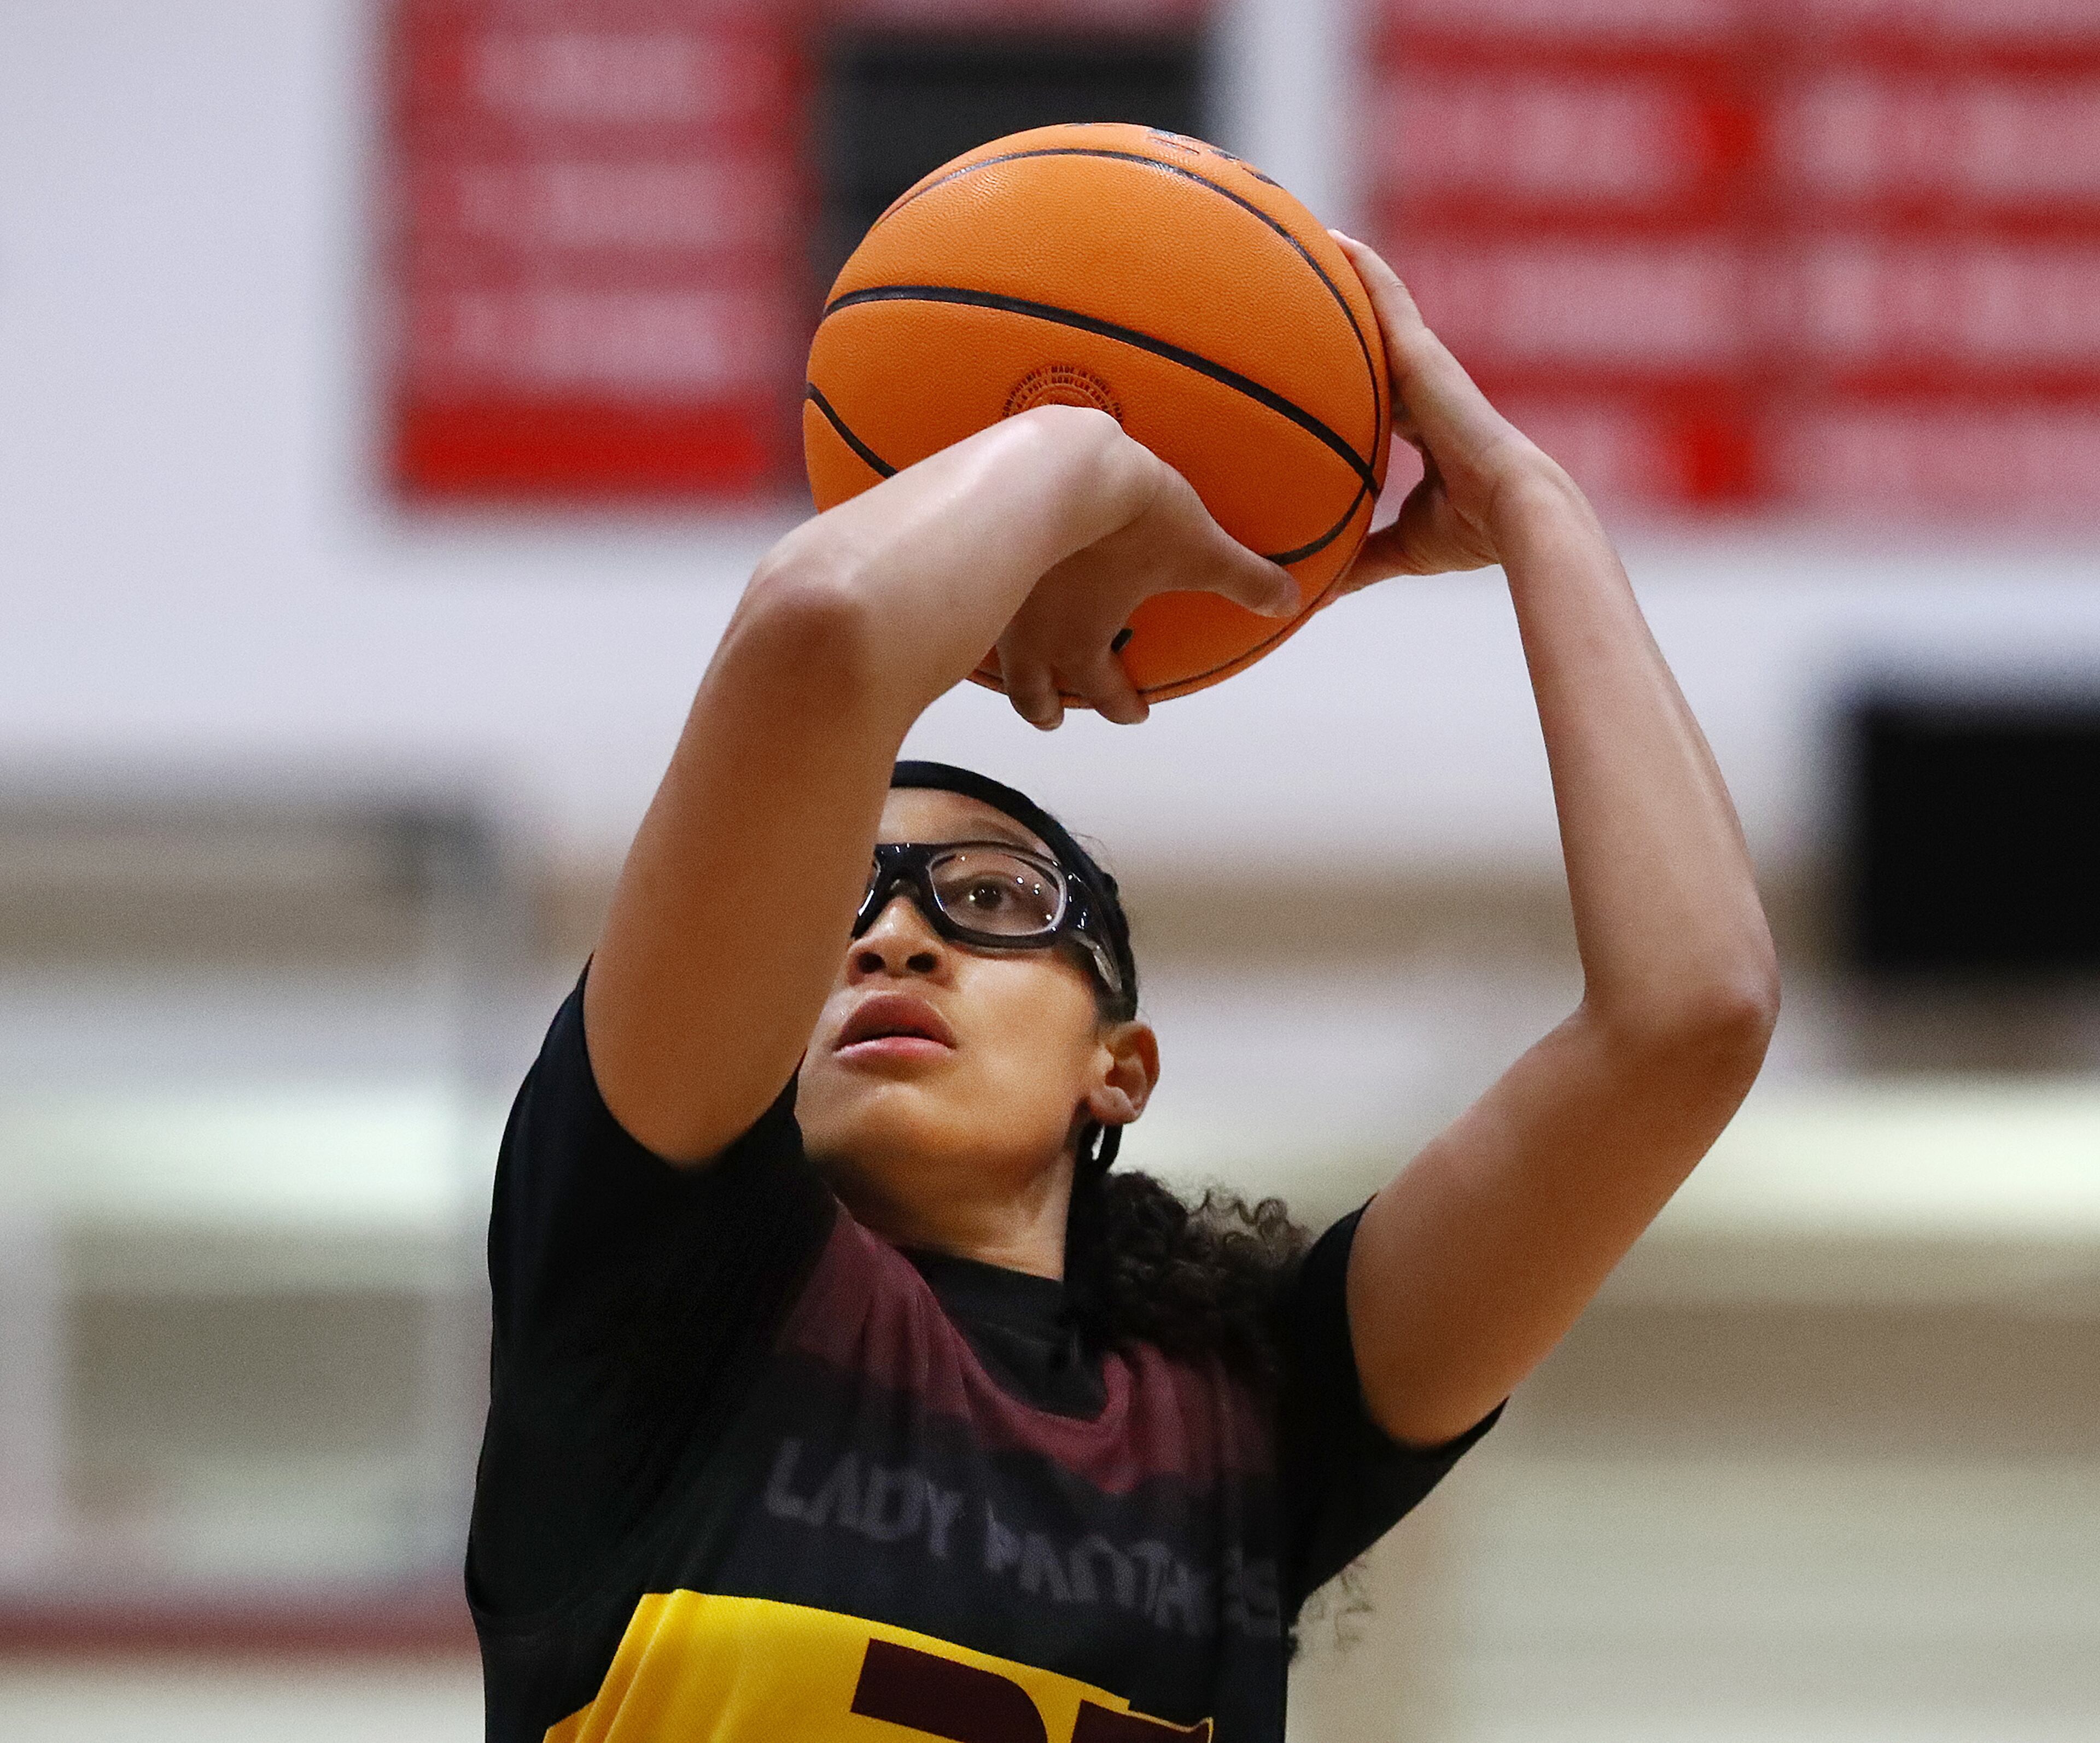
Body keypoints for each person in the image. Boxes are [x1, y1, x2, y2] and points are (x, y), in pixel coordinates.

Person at [465, 236, 1780, 1743]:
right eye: (842, 905)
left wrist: (1534, 507)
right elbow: (820, 631)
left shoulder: (1246, 1413)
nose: (892, 940)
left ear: (1122, 1064)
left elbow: (1696, 1012)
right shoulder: (648, 1276)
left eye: (993, 901)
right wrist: (1088, 440)